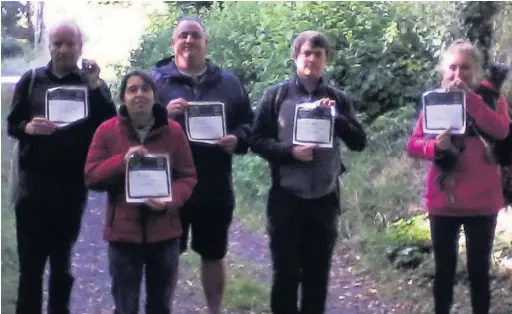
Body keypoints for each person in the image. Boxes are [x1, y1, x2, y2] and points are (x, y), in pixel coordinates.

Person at [250, 30, 367, 314]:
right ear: (295, 57)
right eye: (306, 53)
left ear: (326, 60)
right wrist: (290, 153)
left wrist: (336, 117)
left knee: (317, 276)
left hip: (325, 200)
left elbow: (359, 142)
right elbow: (256, 141)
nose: (311, 59)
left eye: (318, 54)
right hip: (286, 198)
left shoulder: (337, 98)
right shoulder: (276, 96)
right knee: (286, 275)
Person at [6, 21, 117, 314]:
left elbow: (111, 126)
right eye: (58, 43)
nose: (64, 49)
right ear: (49, 46)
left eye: (71, 43)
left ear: (81, 47)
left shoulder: (90, 83)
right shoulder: (31, 80)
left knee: (62, 264)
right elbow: (12, 125)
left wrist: (95, 86)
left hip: (71, 188)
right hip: (32, 188)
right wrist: (27, 126)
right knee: (30, 267)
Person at [149, 16, 253, 314]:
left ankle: (214, 310)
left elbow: (248, 122)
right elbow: (131, 128)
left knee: (213, 253)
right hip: (168, 182)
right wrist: (162, 115)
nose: (189, 41)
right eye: (183, 35)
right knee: (167, 253)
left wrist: (237, 138)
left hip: (214, 182)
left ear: (206, 43)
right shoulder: (154, 82)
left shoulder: (229, 83)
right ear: (173, 43)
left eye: (195, 35)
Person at [407, 39, 510, 314]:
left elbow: (500, 131)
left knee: (479, 272)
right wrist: (434, 146)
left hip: (482, 202)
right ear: (444, 69)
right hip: (444, 201)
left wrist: (471, 99)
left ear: (475, 70)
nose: (458, 74)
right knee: (443, 272)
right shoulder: (436, 100)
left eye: (465, 68)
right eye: (452, 67)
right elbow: (413, 145)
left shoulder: (492, 100)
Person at [84, 70, 197, 314]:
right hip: (123, 237)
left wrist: (170, 199)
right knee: (126, 306)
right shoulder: (107, 131)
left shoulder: (174, 132)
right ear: (123, 98)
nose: (139, 94)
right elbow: (91, 176)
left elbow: (187, 176)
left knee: (160, 306)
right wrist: (121, 162)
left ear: (155, 96)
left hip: (166, 235)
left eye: (145, 89)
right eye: (132, 89)